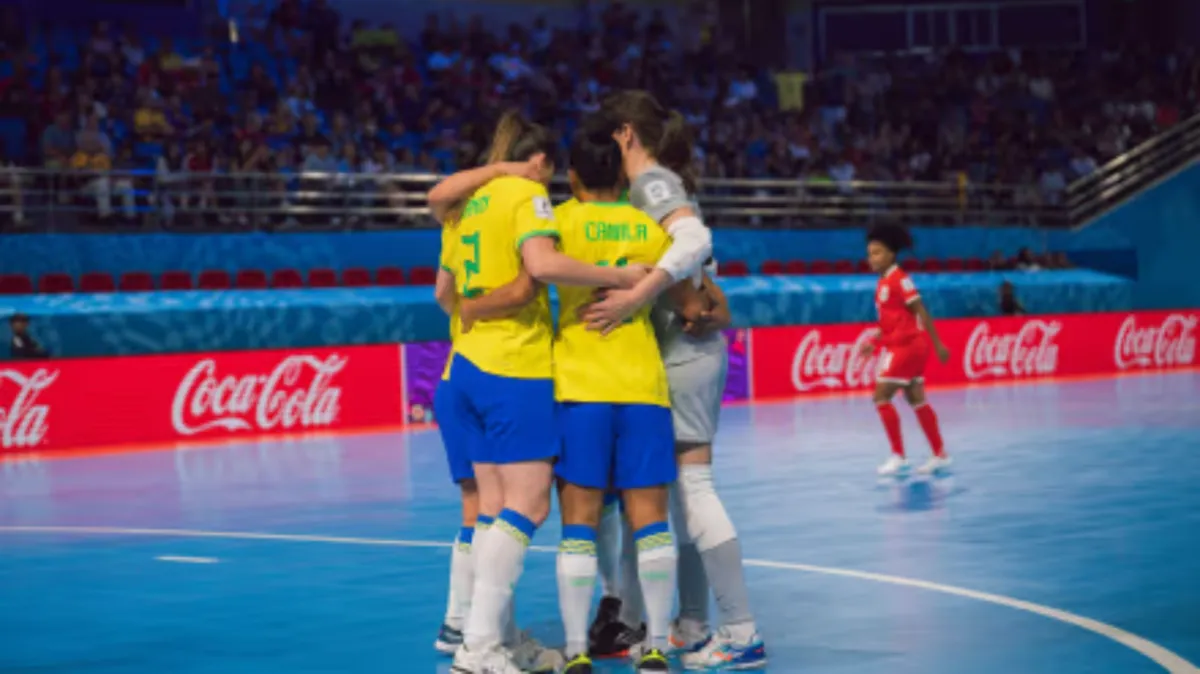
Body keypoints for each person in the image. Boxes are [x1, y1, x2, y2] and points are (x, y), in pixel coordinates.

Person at [427, 111, 646, 674]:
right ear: (542, 162)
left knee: (491, 510)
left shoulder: (467, 205)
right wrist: (625, 278)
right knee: (528, 505)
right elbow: (543, 265)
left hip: (466, 366)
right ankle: (478, 650)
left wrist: (476, 309)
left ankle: (497, 639)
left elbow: (443, 293)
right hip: (514, 367)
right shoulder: (528, 197)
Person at [583, 92, 766, 671]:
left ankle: (740, 633)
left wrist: (637, 292)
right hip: (678, 350)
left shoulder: (651, 182)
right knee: (680, 501)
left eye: (608, 135)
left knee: (694, 490)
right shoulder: (647, 187)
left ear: (627, 133)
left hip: (686, 353)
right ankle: (691, 623)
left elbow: (693, 242)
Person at [552, 121, 679, 674]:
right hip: (641, 386)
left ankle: (577, 649)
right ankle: (654, 646)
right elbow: (693, 298)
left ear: (573, 175)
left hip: (578, 385)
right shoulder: (649, 228)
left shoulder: (556, 222)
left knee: (579, 521)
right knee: (650, 520)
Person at [429, 157, 543, 657]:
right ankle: (472, 633)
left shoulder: (459, 219)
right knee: (499, 508)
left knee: (477, 507)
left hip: (458, 371)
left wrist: (466, 312)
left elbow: (440, 294)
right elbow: (527, 283)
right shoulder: (520, 210)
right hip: (500, 368)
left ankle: (465, 625)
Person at [858, 224, 953, 476]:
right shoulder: (883, 283)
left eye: (877, 253)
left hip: (907, 346)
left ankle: (899, 456)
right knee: (916, 399)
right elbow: (890, 321)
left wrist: (938, 343)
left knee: (881, 397)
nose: (871, 259)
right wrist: (874, 341)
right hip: (902, 345)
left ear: (891, 253)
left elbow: (921, 311)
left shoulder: (901, 280)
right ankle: (940, 454)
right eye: (869, 254)